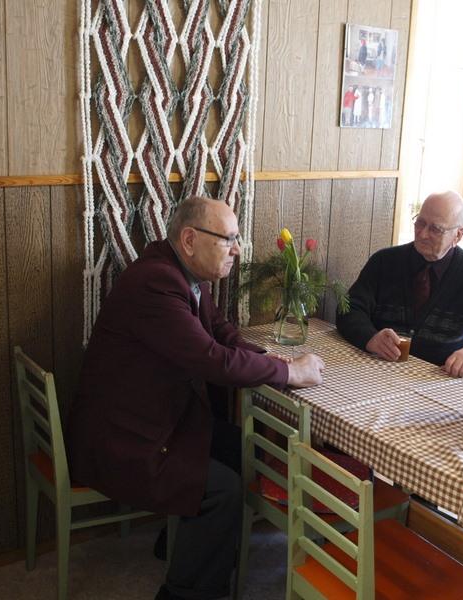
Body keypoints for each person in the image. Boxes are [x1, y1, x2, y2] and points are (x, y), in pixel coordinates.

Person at [68, 196, 325, 600]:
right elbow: (212, 360)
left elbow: (219, 331)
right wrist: (291, 373)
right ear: (189, 240)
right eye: (229, 239)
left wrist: (267, 359)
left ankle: (184, 544)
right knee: (222, 489)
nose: (237, 250)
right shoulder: (155, 283)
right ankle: (184, 592)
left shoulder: (181, 271)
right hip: (124, 438)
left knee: (243, 449)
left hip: (152, 420)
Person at [336, 191, 463, 378]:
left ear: (458, 235)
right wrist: (370, 338)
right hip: (377, 367)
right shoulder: (385, 261)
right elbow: (348, 309)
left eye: (435, 229)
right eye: (420, 223)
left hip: (441, 376)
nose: (423, 234)